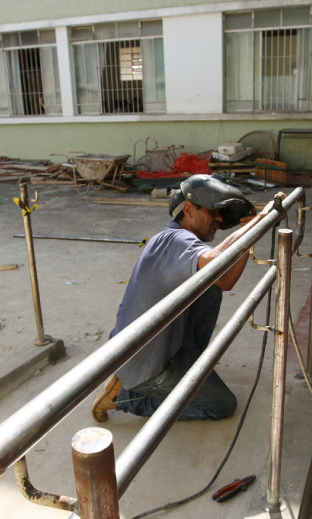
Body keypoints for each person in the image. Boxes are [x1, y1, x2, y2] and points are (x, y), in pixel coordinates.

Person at [92, 175, 284, 422]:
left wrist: (251, 233)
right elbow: (216, 262)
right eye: (213, 212)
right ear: (189, 209)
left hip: (146, 350)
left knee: (211, 289)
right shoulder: (176, 240)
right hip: (148, 365)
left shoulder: (174, 241)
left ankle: (185, 364)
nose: (219, 219)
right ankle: (127, 398)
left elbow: (224, 281)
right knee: (222, 406)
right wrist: (257, 222)